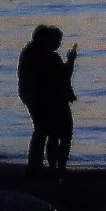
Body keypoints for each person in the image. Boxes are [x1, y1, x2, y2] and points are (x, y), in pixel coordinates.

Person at [18, 24, 78, 177]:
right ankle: (54, 167)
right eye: (56, 40)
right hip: (47, 99)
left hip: (35, 98)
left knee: (45, 131)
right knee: (61, 133)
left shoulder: (29, 54)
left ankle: (39, 165)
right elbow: (62, 76)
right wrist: (71, 60)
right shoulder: (46, 56)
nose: (58, 44)